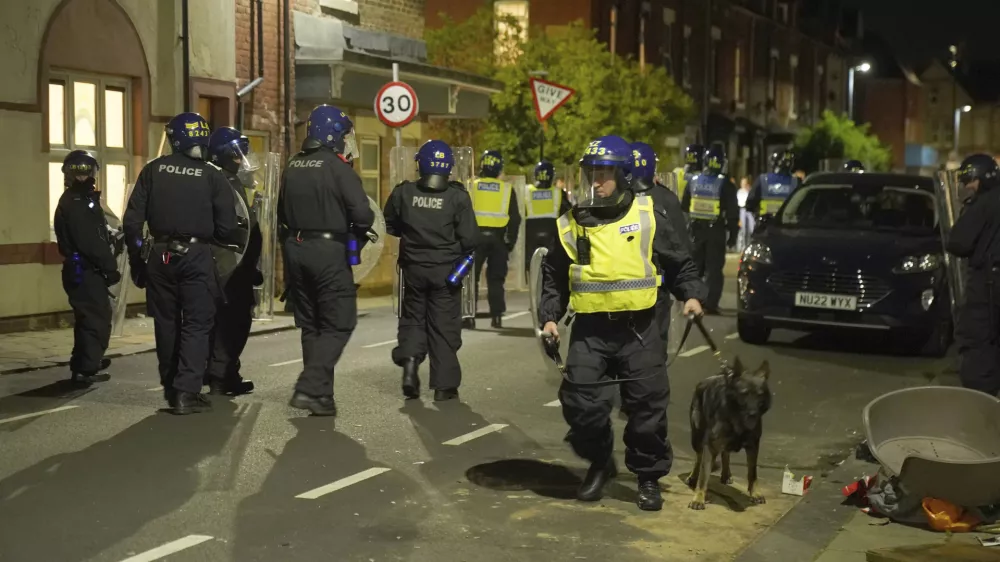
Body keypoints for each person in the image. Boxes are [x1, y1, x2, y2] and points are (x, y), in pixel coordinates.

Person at [539, 135, 706, 511]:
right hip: (591, 331)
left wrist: (691, 294)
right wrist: (549, 318)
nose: (595, 181)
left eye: (604, 173)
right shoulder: (571, 224)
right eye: (591, 173)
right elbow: (553, 273)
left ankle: (648, 478)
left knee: (647, 409)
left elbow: (681, 263)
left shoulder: (648, 216)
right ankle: (601, 463)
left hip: (640, 329)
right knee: (580, 403)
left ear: (623, 175)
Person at [123, 112, 238, 415]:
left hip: (159, 255)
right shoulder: (212, 175)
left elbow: (132, 222)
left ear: (174, 138)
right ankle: (187, 391)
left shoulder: (152, 170)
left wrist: (138, 259)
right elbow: (227, 230)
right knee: (198, 324)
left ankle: (171, 386)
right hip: (196, 255)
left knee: (166, 322)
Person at [278, 105, 375, 416]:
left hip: (296, 248)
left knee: (312, 326)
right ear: (333, 134)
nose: (347, 141)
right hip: (328, 253)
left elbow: (281, 213)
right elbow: (362, 214)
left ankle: (321, 397)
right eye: (345, 135)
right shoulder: (337, 168)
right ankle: (308, 386)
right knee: (340, 321)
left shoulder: (293, 165)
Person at [384, 140, 478, 402]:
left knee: (413, 319)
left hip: (413, 269)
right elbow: (470, 239)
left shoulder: (404, 193)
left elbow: (389, 223)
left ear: (420, 164)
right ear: (448, 166)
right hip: (446, 274)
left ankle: (411, 363)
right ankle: (444, 387)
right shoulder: (458, 197)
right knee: (443, 327)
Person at [53, 150, 120, 385]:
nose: (83, 179)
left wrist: (113, 236)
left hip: (81, 269)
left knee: (87, 318)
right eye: (78, 174)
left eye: (86, 174)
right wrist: (110, 268)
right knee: (96, 319)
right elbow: (90, 242)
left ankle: (86, 360)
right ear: (69, 175)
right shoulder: (79, 203)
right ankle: (86, 368)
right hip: (86, 269)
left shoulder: (78, 200)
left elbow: (97, 233)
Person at [204, 126, 261, 396]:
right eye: (237, 155)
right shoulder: (220, 182)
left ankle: (225, 370)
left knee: (232, 320)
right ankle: (221, 373)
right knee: (232, 321)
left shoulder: (233, 181)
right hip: (229, 265)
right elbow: (230, 228)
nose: (243, 161)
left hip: (240, 265)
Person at [630, 141, 691, 357]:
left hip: (617, 294)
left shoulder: (614, 199)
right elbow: (681, 251)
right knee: (653, 356)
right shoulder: (666, 199)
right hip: (655, 292)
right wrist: (689, 293)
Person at [946, 154, 1000, 397]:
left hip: (987, 291)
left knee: (979, 358)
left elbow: (958, 242)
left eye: (968, 180)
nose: (965, 186)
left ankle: (983, 423)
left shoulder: (984, 204)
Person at [681, 144, 740, 314]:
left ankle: (692, 300)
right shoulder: (725, 184)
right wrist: (733, 236)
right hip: (716, 231)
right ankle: (710, 304)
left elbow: (684, 207)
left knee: (695, 267)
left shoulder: (693, 181)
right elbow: (732, 213)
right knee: (714, 270)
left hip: (695, 230)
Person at [470, 150, 521, 328]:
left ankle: (468, 315)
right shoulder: (507, 189)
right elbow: (515, 218)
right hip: (498, 239)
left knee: (470, 278)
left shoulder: (472, 186)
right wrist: (509, 242)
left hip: (474, 238)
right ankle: (497, 315)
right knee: (496, 279)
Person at [524, 160, 572, 280]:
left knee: (530, 265)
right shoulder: (558, 192)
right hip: (552, 232)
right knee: (553, 265)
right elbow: (568, 213)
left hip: (531, 232)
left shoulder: (526, 191)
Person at [747, 149, 799, 219]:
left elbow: (750, 204)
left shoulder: (763, 179)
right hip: (788, 225)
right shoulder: (796, 182)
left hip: (765, 224)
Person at [737, 176, 755, 252]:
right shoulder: (739, 192)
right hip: (742, 210)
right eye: (742, 183)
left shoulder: (750, 191)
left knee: (752, 228)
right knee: (743, 229)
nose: (743, 184)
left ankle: (750, 245)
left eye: (745, 182)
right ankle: (742, 247)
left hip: (749, 210)